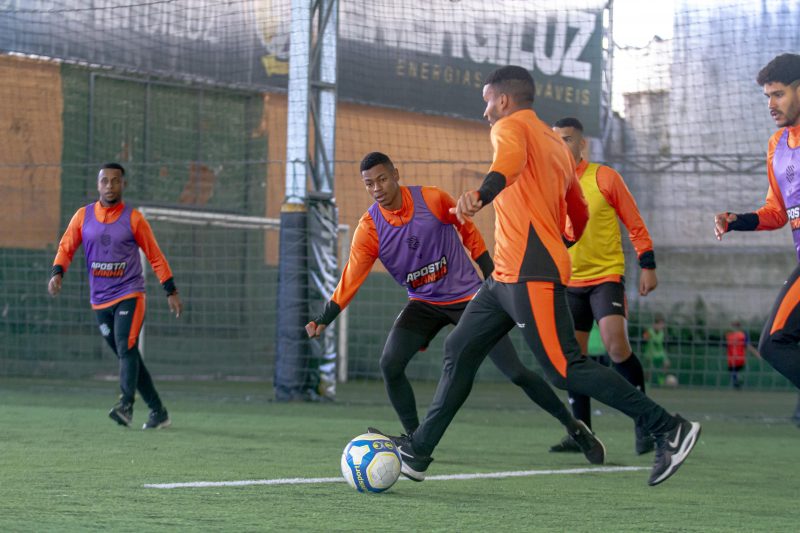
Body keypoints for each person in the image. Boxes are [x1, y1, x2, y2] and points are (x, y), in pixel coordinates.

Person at [373, 66, 700, 487]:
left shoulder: (510, 127)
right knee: (459, 348)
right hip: (504, 279)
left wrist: (481, 194)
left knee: (566, 368)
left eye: (488, 100)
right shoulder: (557, 144)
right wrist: (562, 240)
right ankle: (419, 451)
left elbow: (507, 165)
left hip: (530, 272)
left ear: (505, 101)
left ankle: (668, 428)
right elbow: (577, 209)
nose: (486, 110)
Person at [306, 152, 605, 464]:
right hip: (423, 303)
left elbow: (469, 231)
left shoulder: (432, 199)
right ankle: (415, 438)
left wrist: (492, 278)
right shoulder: (369, 229)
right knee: (390, 364)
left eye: (382, 179)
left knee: (516, 372)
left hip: (471, 300)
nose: (377, 188)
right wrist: (324, 318)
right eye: (370, 184)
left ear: (396, 174)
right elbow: (351, 277)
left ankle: (575, 427)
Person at [548, 116, 659, 456]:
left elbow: (634, 222)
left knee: (615, 348)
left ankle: (646, 423)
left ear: (582, 144)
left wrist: (648, 265)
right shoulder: (549, 183)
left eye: (566, 139)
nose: (561, 146)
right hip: (569, 283)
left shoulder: (604, 177)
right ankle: (581, 433)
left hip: (606, 277)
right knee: (574, 359)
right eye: (555, 141)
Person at [48, 163, 182, 429]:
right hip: (100, 300)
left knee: (125, 346)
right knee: (127, 354)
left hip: (130, 294)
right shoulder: (82, 216)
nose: (110, 186)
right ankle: (158, 412)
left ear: (124, 185)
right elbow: (66, 246)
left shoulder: (134, 219)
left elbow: (155, 255)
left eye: (115, 181)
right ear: (98, 185)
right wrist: (57, 272)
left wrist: (171, 290)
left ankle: (126, 406)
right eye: (105, 181)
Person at [714, 53, 800, 405]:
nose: (771, 104)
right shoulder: (776, 146)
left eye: (778, 94)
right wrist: (739, 221)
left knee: (774, 342)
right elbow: (776, 212)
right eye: (767, 96)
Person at [725, 321, 760, 389]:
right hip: (740, 359)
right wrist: (757, 354)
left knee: (733, 372)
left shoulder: (729, 335)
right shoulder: (743, 335)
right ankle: (738, 380)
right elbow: (749, 346)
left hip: (732, 359)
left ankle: (738, 379)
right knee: (734, 372)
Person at [643, 316, 671, 387]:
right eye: (660, 324)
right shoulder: (649, 331)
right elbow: (644, 338)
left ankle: (661, 379)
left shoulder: (662, 332)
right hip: (650, 354)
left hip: (660, 354)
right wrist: (646, 336)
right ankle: (646, 383)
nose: (662, 326)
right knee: (648, 369)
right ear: (655, 324)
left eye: (663, 324)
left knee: (667, 363)